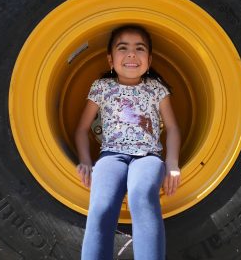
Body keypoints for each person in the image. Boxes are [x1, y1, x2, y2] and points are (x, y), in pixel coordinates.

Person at [75, 24, 181, 260]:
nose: (132, 54)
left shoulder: (156, 89)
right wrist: (84, 160)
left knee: (141, 195)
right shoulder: (101, 88)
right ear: (110, 59)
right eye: (123, 48)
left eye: (139, 48)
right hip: (111, 156)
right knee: (101, 206)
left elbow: (172, 128)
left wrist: (172, 164)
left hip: (148, 157)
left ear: (149, 59)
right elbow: (82, 130)